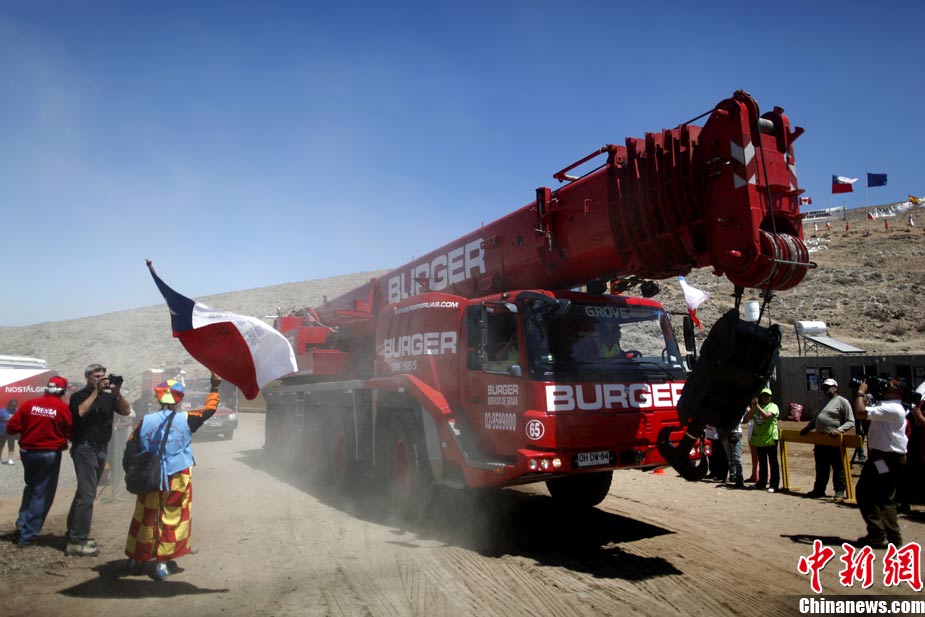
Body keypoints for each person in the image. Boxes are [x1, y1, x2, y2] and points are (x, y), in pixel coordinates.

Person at [124, 372, 221, 580]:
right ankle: (162, 562)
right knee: (172, 517)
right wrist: (214, 387)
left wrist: (131, 473)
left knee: (146, 516)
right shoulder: (187, 419)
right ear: (179, 400)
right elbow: (209, 409)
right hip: (177, 476)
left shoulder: (144, 421)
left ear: (158, 398)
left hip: (150, 477)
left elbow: (130, 448)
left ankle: (137, 559)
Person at [65, 363, 131, 556]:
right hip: (85, 447)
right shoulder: (79, 396)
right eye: (96, 376)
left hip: (101, 448)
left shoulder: (109, 397)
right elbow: (79, 412)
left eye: (103, 375)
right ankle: (77, 542)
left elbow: (126, 411)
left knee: (84, 492)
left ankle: (73, 532)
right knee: (87, 495)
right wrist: (96, 391)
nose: (101, 378)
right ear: (88, 377)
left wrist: (117, 392)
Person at [5, 377, 73, 547]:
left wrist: (28, 430)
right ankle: (27, 536)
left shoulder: (29, 404)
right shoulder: (62, 408)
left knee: (31, 487)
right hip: (49, 454)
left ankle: (22, 525)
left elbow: (11, 427)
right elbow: (71, 432)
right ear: (62, 392)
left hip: (27, 453)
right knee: (41, 493)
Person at [853, 379, 908, 548]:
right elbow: (868, 419)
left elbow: (860, 412)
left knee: (866, 493)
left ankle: (878, 534)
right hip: (884, 457)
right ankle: (892, 537)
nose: (886, 386)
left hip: (886, 458)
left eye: (891, 385)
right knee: (884, 497)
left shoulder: (893, 408)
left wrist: (860, 393)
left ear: (899, 392)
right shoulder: (887, 406)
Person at [800, 378, 855, 499]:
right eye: (824, 387)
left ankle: (839, 490)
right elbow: (815, 419)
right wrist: (807, 428)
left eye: (828, 387)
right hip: (820, 439)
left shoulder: (842, 402)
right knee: (821, 466)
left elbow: (850, 421)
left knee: (838, 466)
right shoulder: (822, 401)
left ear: (835, 388)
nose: (825, 389)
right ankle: (819, 489)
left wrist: (839, 430)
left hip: (834, 440)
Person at [745, 387, 780, 493]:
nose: (765, 397)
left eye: (767, 395)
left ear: (771, 397)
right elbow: (746, 418)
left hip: (771, 439)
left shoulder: (773, 406)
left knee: (773, 462)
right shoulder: (758, 407)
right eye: (764, 395)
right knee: (762, 462)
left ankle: (774, 485)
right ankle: (761, 482)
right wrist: (753, 407)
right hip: (760, 440)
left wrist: (757, 407)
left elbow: (766, 416)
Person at [0, 398, 18, 464]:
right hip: (2, 431)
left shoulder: (16, 411)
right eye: (12, 405)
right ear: (9, 405)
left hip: (12, 431)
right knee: (1, 445)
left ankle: (10, 459)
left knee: (11, 445)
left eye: (14, 406)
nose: (13, 407)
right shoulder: (2, 411)